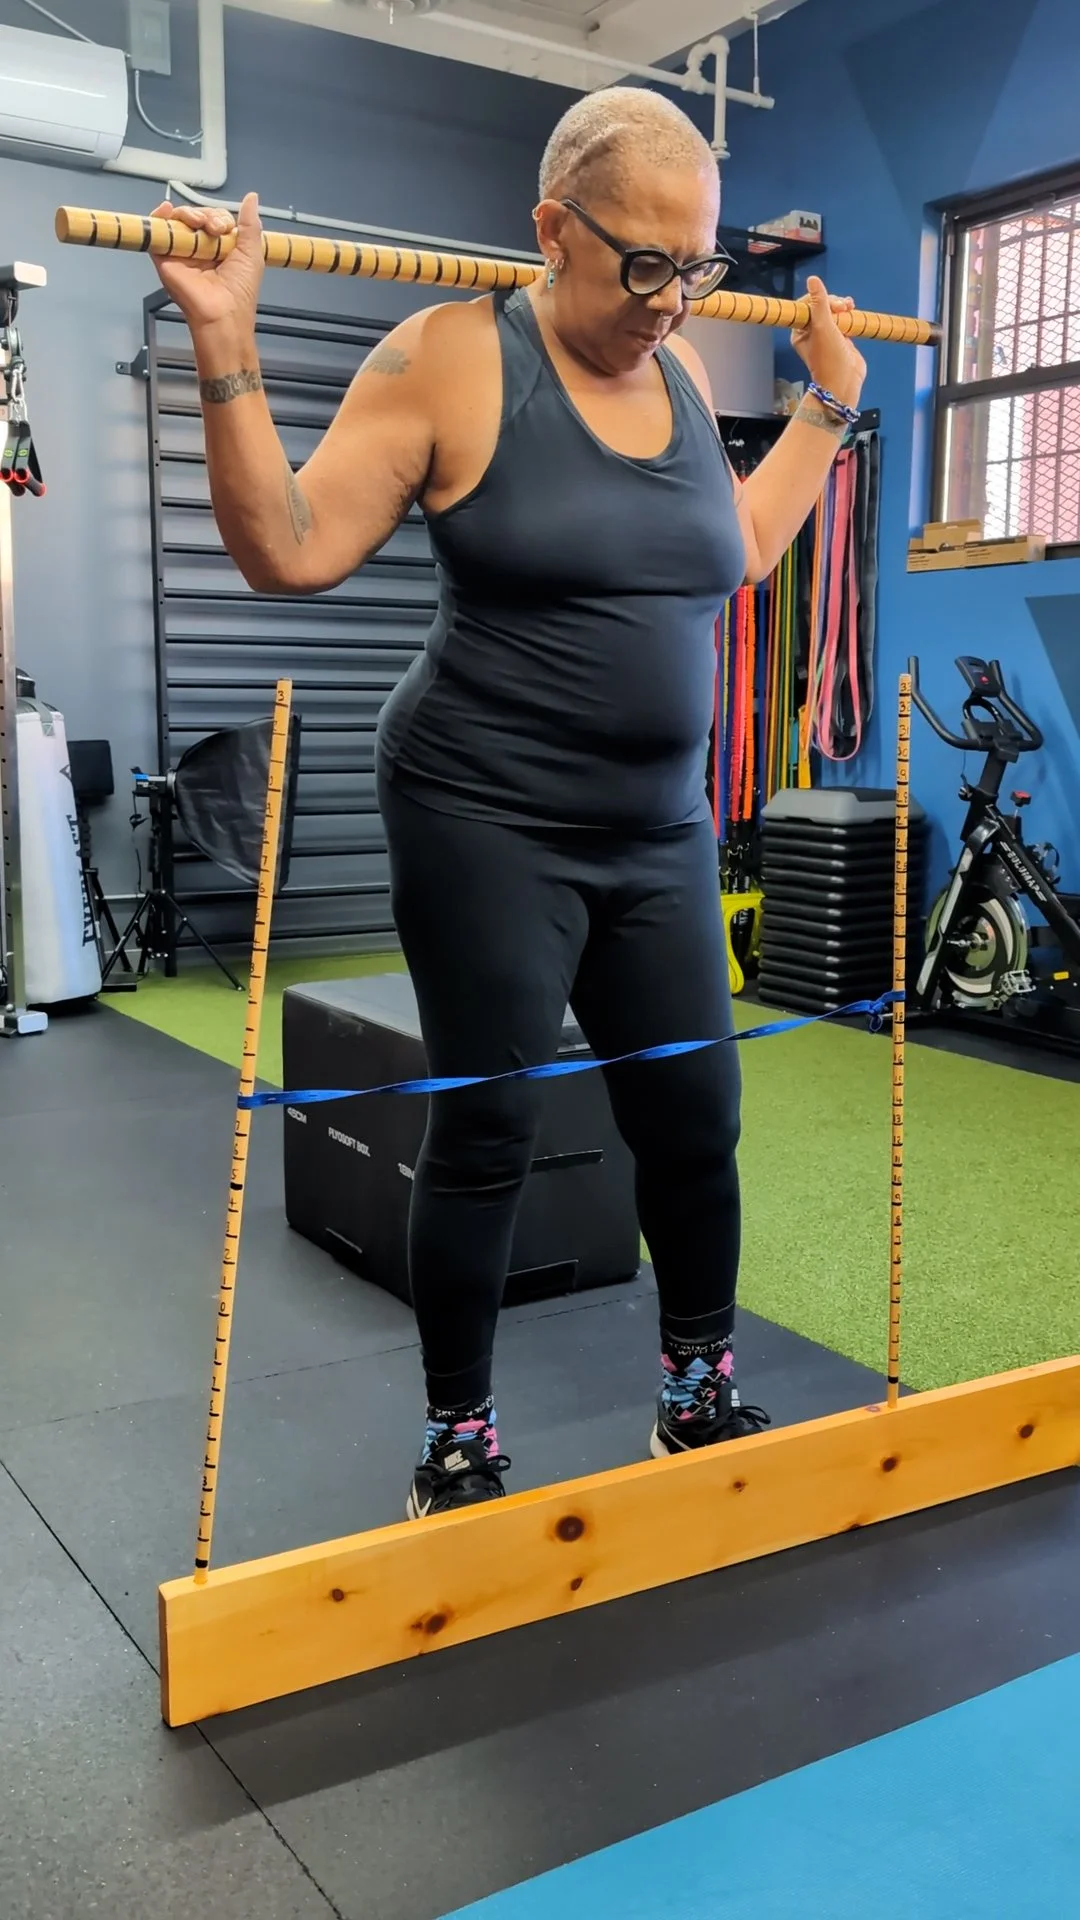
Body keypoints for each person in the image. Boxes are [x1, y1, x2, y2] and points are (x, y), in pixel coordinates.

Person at [151, 88, 866, 1519]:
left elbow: (726, 551)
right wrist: (226, 339)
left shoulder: (671, 372)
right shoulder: (452, 357)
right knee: (488, 1125)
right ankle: (461, 1438)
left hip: (655, 826)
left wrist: (829, 408)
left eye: (699, 267)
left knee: (695, 1117)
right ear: (552, 231)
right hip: (484, 814)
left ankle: (693, 1390)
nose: (674, 302)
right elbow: (288, 552)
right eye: (644, 265)